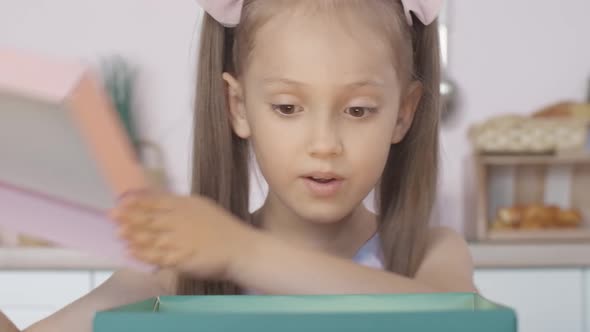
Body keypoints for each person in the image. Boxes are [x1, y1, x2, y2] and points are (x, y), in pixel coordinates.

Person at [1, 0, 476, 331]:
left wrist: (242, 254)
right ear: (239, 106)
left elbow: (448, 322)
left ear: (404, 112)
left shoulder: (431, 256)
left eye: (358, 110)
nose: (325, 144)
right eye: (288, 108)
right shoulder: (181, 270)